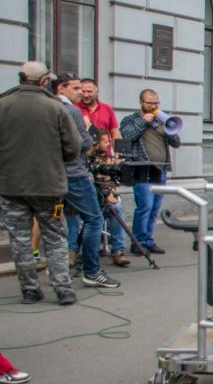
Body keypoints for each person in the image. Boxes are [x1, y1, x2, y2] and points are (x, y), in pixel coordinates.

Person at [0, 61, 81, 306]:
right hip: (48, 185)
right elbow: (73, 147)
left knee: (20, 239)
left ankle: (30, 290)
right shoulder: (55, 107)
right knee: (55, 237)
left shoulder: (3, 105)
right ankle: (63, 290)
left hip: (11, 185)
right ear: (44, 81)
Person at [55, 73, 119, 288]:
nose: (81, 93)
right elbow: (83, 143)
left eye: (83, 89)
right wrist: (87, 131)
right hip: (74, 173)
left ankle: (58, 275)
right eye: (75, 88)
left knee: (53, 223)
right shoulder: (72, 111)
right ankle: (92, 270)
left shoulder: (49, 108)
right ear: (60, 89)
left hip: (51, 174)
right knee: (94, 219)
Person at [120, 89, 180, 256]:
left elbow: (177, 143)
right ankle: (137, 242)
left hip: (160, 169)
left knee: (154, 208)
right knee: (144, 206)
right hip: (142, 169)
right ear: (141, 102)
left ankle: (148, 240)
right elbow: (126, 135)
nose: (153, 106)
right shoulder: (131, 120)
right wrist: (143, 122)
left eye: (156, 103)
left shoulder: (161, 121)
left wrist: (170, 127)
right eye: (149, 103)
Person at [88, 132, 131, 266]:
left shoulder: (107, 159)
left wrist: (110, 193)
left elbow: (112, 182)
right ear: (95, 143)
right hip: (89, 202)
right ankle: (77, 251)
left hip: (105, 200)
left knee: (117, 208)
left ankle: (118, 251)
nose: (108, 145)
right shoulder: (86, 159)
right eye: (105, 142)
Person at [76, 78, 121, 146]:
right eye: (83, 91)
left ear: (97, 92)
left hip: (104, 153)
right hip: (83, 153)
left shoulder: (107, 108)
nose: (86, 95)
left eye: (89, 91)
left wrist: (117, 154)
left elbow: (114, 132)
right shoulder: (74, 108)